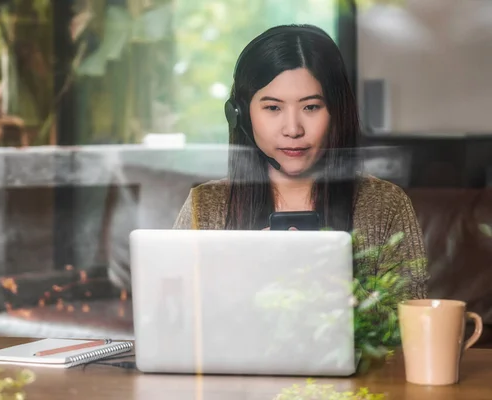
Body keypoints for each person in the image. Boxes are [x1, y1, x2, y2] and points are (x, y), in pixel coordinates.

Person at [173, 24, 428, 300]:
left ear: (336, 112)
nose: (293, 129)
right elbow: (173, 317)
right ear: (241, 115)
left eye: (311, 107)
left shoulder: (385, 205)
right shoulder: (205, 206)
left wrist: (330, 282)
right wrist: (242, 276)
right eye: (273, 108)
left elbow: (410, 329)